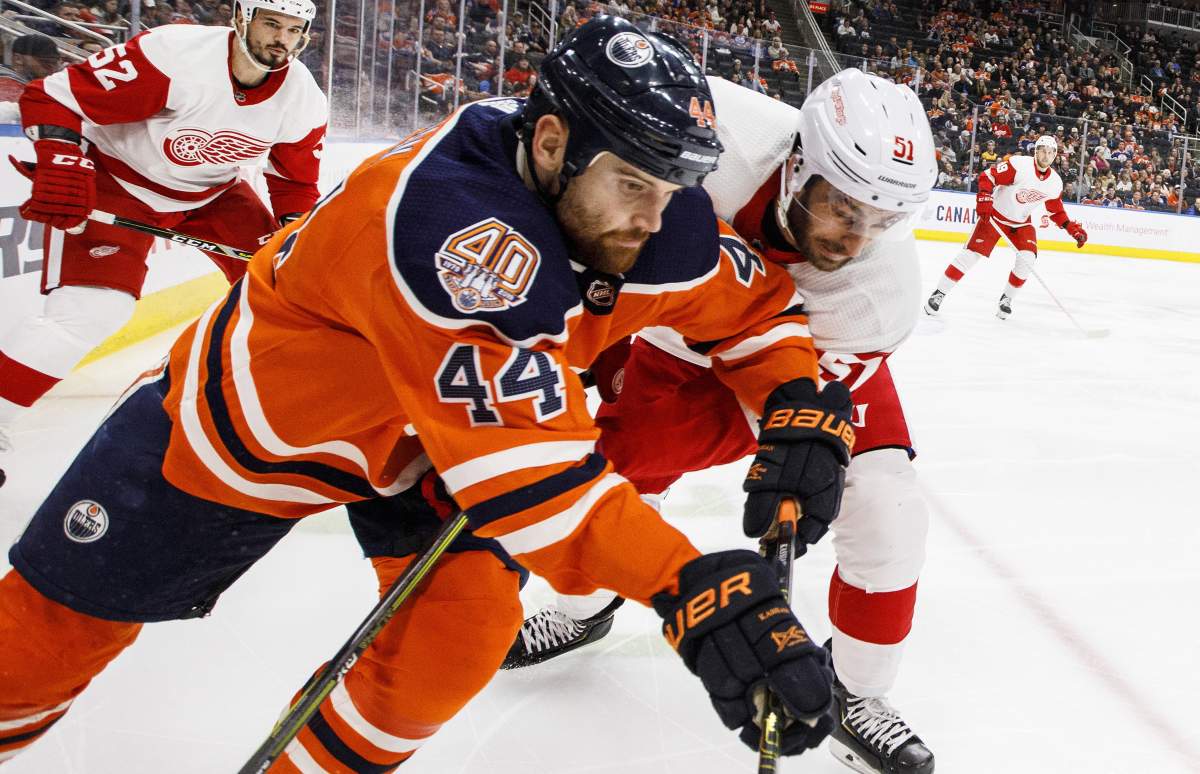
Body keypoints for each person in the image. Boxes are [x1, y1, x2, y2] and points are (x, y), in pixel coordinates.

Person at [0, 17, 852, 768]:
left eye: (672, 190)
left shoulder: (646, 213)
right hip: (248, 436)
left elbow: (755, 311)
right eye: (634, 185)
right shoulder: (452, 231)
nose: (654, 218)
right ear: (551, 143)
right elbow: (534, 490)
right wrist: (692, 587)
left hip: (424, 451)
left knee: (460, 630)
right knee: (38, 648)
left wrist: (798, 404)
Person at [501, 69, 939, 774]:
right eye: (843, 208)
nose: (855, 241)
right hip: (680, 337)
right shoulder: (717, 125)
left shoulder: (878, 293)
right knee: (607, 471)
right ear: (799, 165)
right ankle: (583, 608)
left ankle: (857, 691)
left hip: (807, 356)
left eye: (881, 223)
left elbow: (798, 416)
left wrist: (799, 458)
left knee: (886, 509)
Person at [0, 0, 328, 487]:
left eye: (293, 30)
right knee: (91, 312)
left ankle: (286, 415)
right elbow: (54, 98)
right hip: (119, 182)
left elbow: (294, 184)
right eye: (271, 24)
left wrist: (295, 235)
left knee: (289, 291)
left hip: (213, 195)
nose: (281, 39)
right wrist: (61, 159)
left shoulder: (303, 97)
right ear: (241, 18)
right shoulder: (175, 54)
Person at [924, 134, 1088, 319]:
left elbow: (1055, 211)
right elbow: (988, 176)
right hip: (994, 216)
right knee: (970, 256)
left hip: (1021, 223)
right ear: (1036, 151)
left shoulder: (1055, 182)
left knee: (1027, 259)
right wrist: (985, 197)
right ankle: (939, 293)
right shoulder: (1019, 165)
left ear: (1055, 155)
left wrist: (1072, 229)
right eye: (1042, 151)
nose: (1046, 155)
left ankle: (1006, 299)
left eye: (1050, 152)